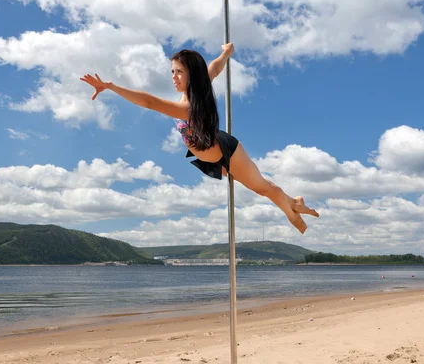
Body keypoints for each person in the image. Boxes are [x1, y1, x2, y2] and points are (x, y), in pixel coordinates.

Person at [80, 43, 319, 233]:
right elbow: (214, 67)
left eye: (179, 72)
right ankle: (294, 202)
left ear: (191, 74)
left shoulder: (189, 107)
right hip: (208, 157)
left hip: (225, 150)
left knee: (264, 188)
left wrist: (111, 86)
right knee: (262, 188)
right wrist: (226, 52)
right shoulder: (194, 91)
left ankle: (293, 213)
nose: (174, 77)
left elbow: (149, 102)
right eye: (172, 72)